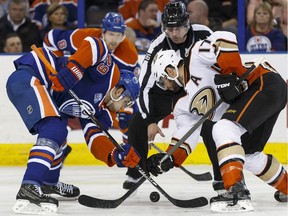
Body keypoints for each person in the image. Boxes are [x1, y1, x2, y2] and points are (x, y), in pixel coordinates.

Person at [146, 31, 288, 212]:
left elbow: (225, 38)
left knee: (223, 128)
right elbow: (186, 135)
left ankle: (236, 192)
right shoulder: (182, 104)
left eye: (162, 80)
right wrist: (170, 157)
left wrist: (232, 74)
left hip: (263, 82)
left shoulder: (195, 56)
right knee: (249, 154)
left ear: (170, 70)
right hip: (266, 96)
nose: (164, 86)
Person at [7, 36, 141, 214]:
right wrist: (73, 72)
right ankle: (29, 186)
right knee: (54, 127)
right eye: (127, 101)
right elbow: (96, 45)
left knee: (59, 133)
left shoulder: (103, 112)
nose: (125, 107)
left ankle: (49, 183)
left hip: (44, 90)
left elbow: (95, 139)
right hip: (30, 76)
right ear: (119, 90)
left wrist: (115, 154)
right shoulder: (108, 75)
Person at [123, 1, 214, 190]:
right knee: (138, 122)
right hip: (168, 89)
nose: (175, 33)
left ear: (187, 23)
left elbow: (218, 63)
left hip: (197, 88)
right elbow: (145, 87)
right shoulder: (157, 45)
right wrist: (149, 121)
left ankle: (221, 176)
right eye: (170, 28)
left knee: (210, 127)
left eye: (179, 27)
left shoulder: (204, 34)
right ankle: (135, 172)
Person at [43, 12, 139, 144]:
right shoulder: (83, 37)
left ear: (123, 36)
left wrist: (126, 110)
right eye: (111, 34)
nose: (114, 40)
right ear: (103, 32)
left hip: (103, 93)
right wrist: (57, 68)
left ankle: (130, 154)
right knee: (57, 118)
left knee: (130, 117)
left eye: (118, 35)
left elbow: (127, 88)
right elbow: (51, 38)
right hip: (74, 84)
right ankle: (61, 147)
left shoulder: (129, 55)